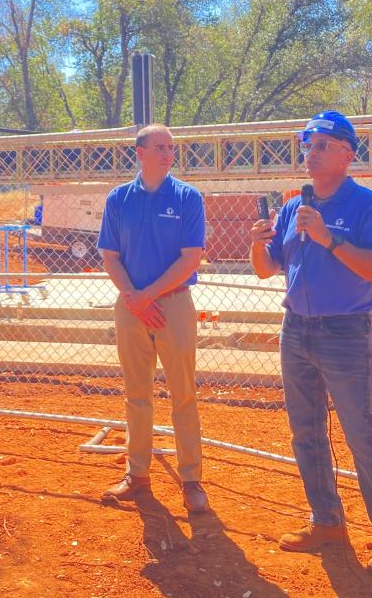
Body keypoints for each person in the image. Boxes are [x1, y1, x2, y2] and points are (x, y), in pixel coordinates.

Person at [249, 110, 372, 573]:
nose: (311, 152)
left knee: (362, 435)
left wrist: (329, 240)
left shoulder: (368, 206)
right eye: (307, 144)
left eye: (322, 144)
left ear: (347, 155)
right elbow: (266, 268)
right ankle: (326, 520)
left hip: (345, 332)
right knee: (306, 432)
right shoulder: (291, 205)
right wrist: (258, 244)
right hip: (295, 328)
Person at [97, 124, 209, 514]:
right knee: (136, 395)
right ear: (139, 152)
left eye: (171, 148)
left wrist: (148, 296)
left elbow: (190, 258)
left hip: (173, 305)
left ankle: (191, 480)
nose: (167, 154)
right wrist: (134, 297)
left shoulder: (187, 198)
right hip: (130, 307)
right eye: (159, 147)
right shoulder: (119, 199)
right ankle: (138, 474)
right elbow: (110, 256)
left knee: (184, 394)